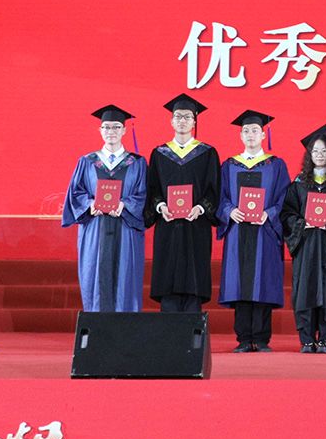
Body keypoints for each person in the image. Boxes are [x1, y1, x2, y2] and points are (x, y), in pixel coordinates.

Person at [60, 104, 148, 313]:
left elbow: (143, 193)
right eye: (106, 127)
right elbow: (75, 193)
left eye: (116, 127)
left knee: (125, 277)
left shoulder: (137, 163)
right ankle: (96, 325)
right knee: (94, 275)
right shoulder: (87, 161)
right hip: (95, 227)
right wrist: (90, 204)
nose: (111, 131)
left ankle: (125, 327)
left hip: (125, 229)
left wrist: (124, 205)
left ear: (124, 130)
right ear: (100, 130)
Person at [217, 110, 289, 352]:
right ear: (240, 135)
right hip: (237, 232)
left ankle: (261, 338)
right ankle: (243, 339)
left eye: (255, 131)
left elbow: (285, 197)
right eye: (246, 131)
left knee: (263, 281)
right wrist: (229, 211)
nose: (250, 135)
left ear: (263, 134)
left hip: (264, 232)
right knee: (239, 282)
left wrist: (269, 213)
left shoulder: (275, 165)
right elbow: (221, 197)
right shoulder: (229, 165)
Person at [282, 125, 326, 352]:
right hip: (307, 244)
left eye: (324, 151)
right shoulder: (299, 183)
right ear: (309, 154)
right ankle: (306, 339)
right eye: (315, 151)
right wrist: (302, 224)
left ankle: (325, 339)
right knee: (305, 289)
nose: (320, 155)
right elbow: (287, 213)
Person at [145, 93, 219, 313]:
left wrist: (201, 207)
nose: (182, 121)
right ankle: (168, 329)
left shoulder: (207, 153)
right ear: (171, 121)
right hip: (168, 224)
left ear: (194, 122)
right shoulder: (159, 154)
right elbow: (152, 188)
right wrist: (160, 206)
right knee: (167, 277)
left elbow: (214, 188)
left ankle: (192, 326)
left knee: (193, 279)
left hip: (196, 225)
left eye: (187, 117)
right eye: (178, 116)